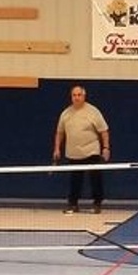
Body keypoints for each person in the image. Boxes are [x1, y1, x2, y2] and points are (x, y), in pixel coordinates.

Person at [52, 85, 111, 213]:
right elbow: (60, 132)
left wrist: (106, 148)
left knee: (95, 178)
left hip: (91, 150)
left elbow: (104, 131)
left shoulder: (93, 111)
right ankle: (73, 204)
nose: (76, 97)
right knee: (75, 180)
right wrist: (57, 149)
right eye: (74, 95)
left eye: (79, 95)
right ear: (71, 97)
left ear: (84, 96)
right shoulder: (66, 113)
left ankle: (97, 203)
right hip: (73, 152)